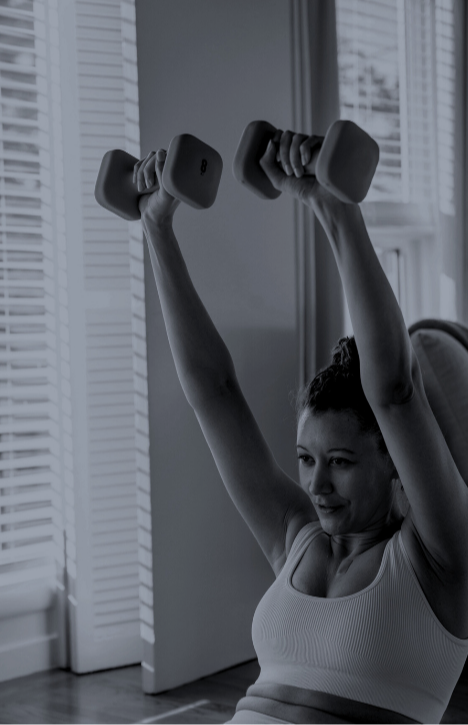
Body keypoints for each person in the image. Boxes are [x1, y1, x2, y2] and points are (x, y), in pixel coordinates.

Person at [133, 129, 468, 725]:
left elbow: (396, 391)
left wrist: (336, 210)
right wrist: (156, 226)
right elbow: (214, 393)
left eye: (340, 462)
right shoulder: (298, 538)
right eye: (306, 459)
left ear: (394, 459)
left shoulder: (440, 557)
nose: (316, 486)